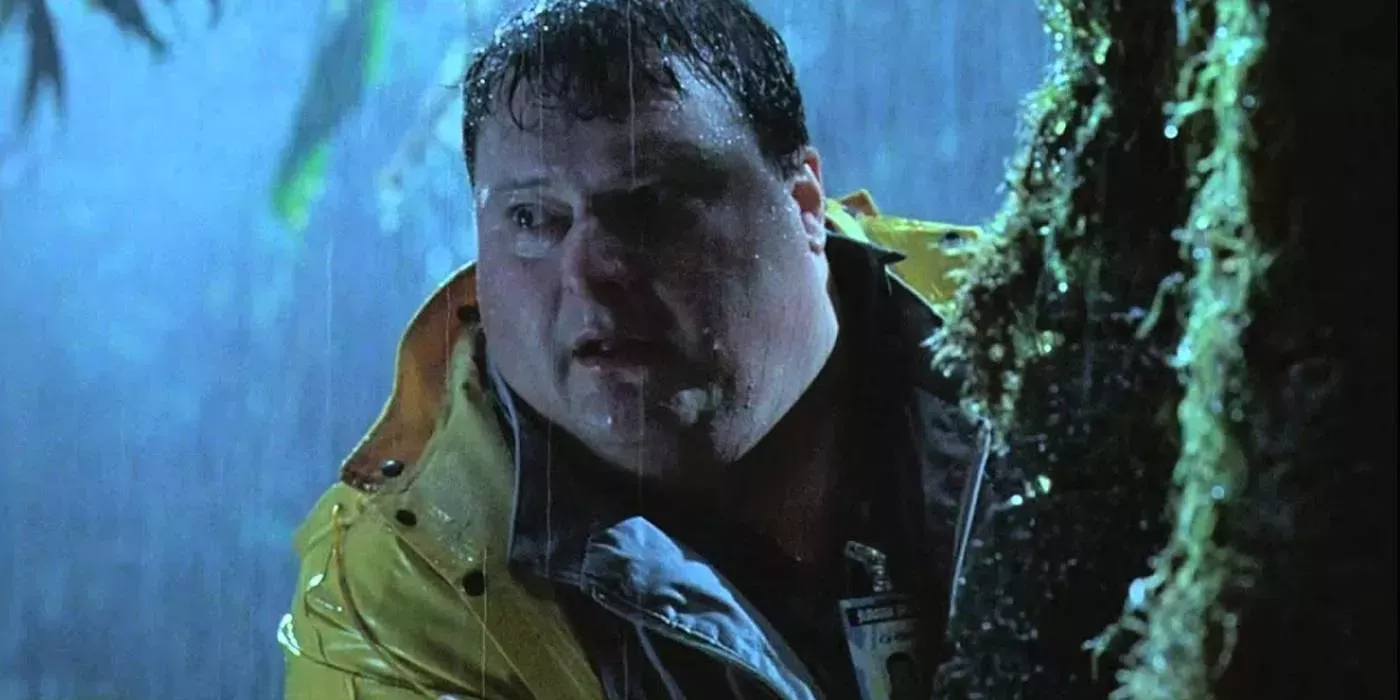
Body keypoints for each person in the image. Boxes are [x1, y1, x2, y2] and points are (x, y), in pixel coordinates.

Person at [277, 1, 992, 697]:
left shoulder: (1038, 323)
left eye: (651, 202)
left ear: (803, 203)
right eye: (531, 217)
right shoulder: (395, 602)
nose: (591, 269)